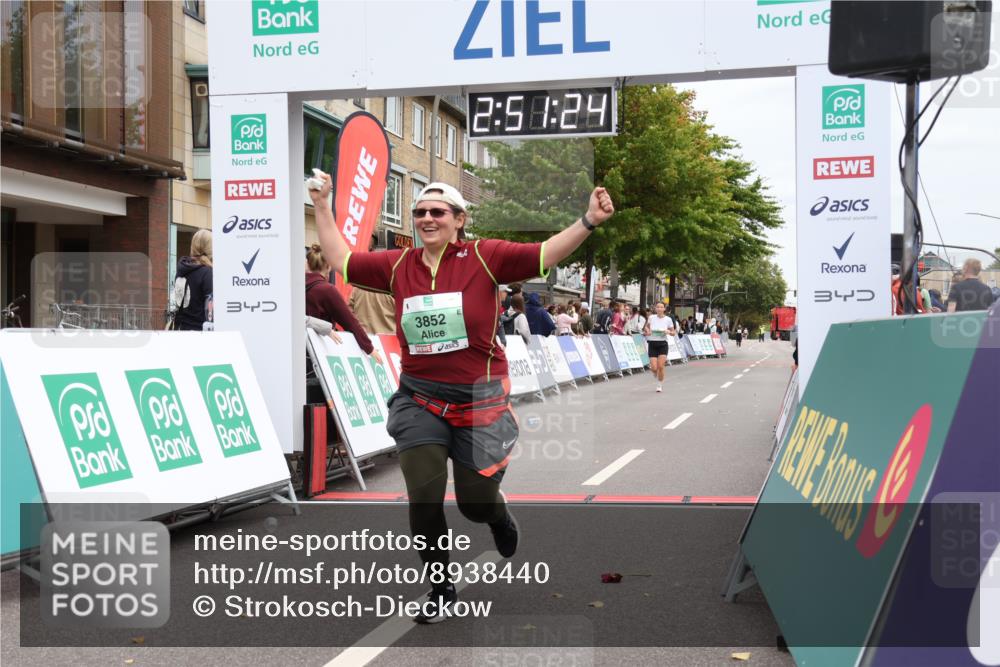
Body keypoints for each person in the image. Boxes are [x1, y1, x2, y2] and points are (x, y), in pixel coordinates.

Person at [310, 173, 614, 623]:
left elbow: (544, 253)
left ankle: (497, 516)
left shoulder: (485, 257)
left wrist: (588, 221)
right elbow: (341, 259)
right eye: (420, 212)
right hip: (420, 398)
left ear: (459, 220)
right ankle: (440, 587)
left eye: (438, 212)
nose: (427, 219)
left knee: (474, 502)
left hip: (479, 398)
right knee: (424, 496)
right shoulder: (398, 264)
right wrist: (322, 204)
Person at [306, 244, 383, 365]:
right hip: (319, 354)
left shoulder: (295, 287)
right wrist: (370, 349)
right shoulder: (327, 290)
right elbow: (350, 322)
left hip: (296, 352)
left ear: (308, 264)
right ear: (329, 266)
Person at [349, 233, 397, 334]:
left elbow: (349, 311)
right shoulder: (393, 286)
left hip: (364, 338)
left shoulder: (359, 285)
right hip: (389, 339)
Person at [173, 229, 214, 331]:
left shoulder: (181, 270)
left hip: (180, 329)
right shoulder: (207, 273)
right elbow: (210, 308)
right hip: (199, 332)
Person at [643, 301, 676, 393]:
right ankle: (655, 373)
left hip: (663, 344)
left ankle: (659, 384)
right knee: (654, 368)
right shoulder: (651, 317)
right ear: (655, 308)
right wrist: (648, 331)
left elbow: (673, 332)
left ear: (664, 309)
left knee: (660, 366)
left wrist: (668, 332)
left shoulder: (668, 319)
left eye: (661, 307)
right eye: (658, 307)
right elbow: (646, 327)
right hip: (652, 343)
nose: (659, 309)